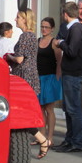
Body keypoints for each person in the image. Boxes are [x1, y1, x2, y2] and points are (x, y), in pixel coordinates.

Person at [6, 9, 50, 159]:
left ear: (24, 20)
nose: (15, 19)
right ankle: (43, 140)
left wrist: (9, 56)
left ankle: (43, 140)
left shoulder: (25, 36)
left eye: (18, 17)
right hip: (30, 76)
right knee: (22, 113)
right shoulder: (31, 36)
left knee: (20, 114)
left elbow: (19, 59)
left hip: (24, 78)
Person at [52, 1, 82, 153]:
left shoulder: (76, 29)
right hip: (71, 73)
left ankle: (76, 141)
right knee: (69, 109)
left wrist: (60, 43)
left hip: (73, 74)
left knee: (73, 109)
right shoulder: (76, 28)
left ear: (65, 14)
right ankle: (70, 139)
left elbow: (72, 51)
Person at [36, 17, 62, 147]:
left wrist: (57, 77)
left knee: (49, 108)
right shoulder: (37, 41)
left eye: (46, 27)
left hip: (50, 78)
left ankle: (50, 137)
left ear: (52, 29)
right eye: (42, 27)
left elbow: (59, 61)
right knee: (40, 108)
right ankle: (42, 136)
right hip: (39, 78)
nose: (44, 29)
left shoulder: (54, 42)